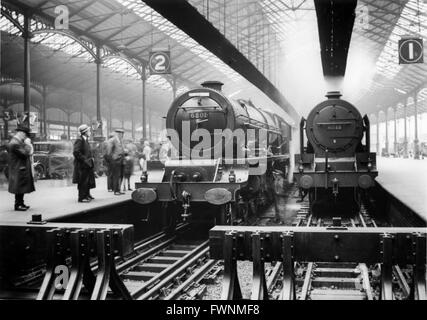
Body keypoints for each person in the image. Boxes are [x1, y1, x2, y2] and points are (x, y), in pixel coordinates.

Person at [7, 125, 35, 211]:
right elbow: (25, 154)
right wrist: (28, 144)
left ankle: (21, 203)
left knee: (21, 187)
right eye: (25, 135)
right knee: (19, 187)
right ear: (21, 133)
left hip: (20, 168)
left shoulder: (17, 142)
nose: (25, 137)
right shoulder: (15, 143)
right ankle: (18, 205)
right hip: (18, 168)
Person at [72, 124, 96, 202]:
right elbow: (76, 152)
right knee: (82, 181)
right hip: (82, 165)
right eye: (88, 131)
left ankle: (87, 195)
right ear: (85, 132)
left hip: (87, 164)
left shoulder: (85, 139)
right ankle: (82, 197)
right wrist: (85, 160)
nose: (90, 132)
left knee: (88, 181)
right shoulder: (80, 140)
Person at [107, 129, 125, 195]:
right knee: (116, 176)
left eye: (122, 133)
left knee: (121, 175)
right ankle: (116, 190)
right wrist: (113, 159)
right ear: (117, 133)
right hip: (116, 160)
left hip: (121, 160)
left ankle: (118, 189)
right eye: (121, 133)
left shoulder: (121, 141)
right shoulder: (112, 140)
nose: (122, 135)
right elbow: (109, 151)